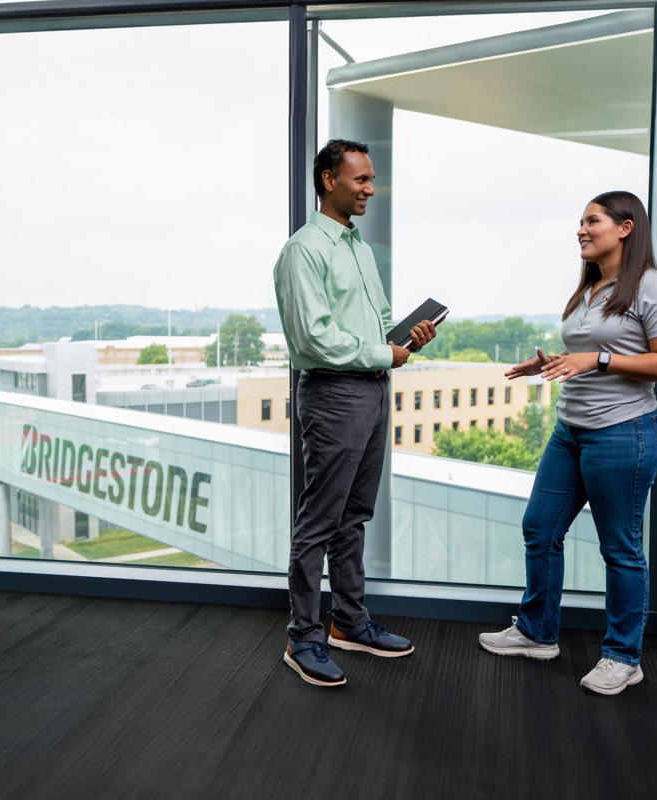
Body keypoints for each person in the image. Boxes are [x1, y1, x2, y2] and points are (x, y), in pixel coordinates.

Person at [478, 190, 657, 696]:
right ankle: (537, 632)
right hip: (570, 431)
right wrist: (552, 363)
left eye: (592, 221)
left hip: (625, 434)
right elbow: (587, 352)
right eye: (580, 222)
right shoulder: (590, 288)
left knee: (620, 548)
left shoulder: (655, 289)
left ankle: (623, 656)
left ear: (626, 227)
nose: (581, 230)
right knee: (539, 528)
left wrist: (598, 360)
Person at [274, 138, 437, 687]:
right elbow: (314, 337)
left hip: (371, 388)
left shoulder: (358, 248)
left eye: (371, 179)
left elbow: (377, 324)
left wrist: (404, 339)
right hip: (333, 391)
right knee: (320, 518)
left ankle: (349, 622)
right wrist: (380, 352)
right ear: (328, 180)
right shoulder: (304, 250)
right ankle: (304, 637)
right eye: (362, 179)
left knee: (355, 514)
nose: (371, 189)